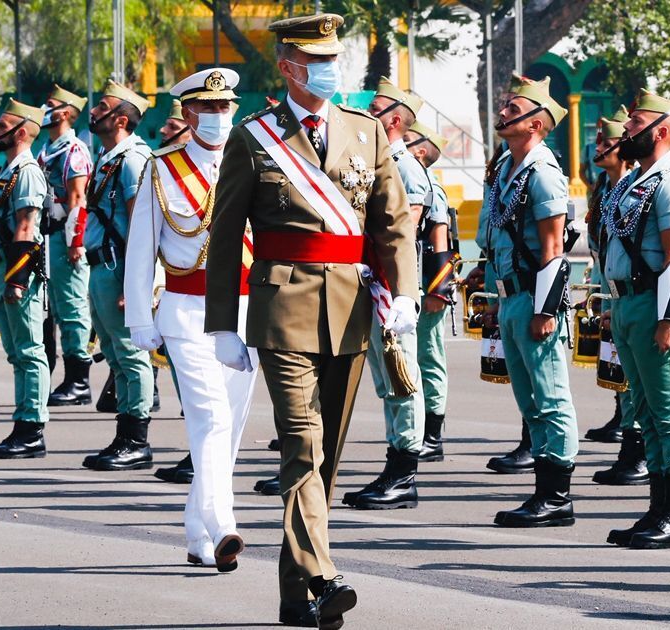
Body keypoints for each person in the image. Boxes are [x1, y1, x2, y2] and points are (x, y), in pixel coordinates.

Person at [204, 14, 418, 628]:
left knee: (326, 462)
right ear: (290, 68)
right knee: (302, 447)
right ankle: (324, 579)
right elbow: (224, 237)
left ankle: (293, 598)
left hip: (350, 311)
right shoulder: (254, 138)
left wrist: (404, 291)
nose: (331, 69)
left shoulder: (367, 132)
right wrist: (224, 320)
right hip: (283, 308)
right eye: (317, 60)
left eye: (334, 58)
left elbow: (393, 221)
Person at [125, 67, 256, 572]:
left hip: (245, 309)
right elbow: (142, 248)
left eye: (226, 108)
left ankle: (198, 535)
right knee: (211, 418)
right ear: (188, 112)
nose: (219, 116)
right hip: (186, 309)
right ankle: (224, 525)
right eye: (208, 107)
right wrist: (141, 316)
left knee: (230, 426)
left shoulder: (253, 163)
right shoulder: (162, 167)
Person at [599, 90, 670, 548]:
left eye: (635, 121)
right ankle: (657, 508)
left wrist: (669, 318)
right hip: (627, 304)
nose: (626, 129)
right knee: (644, 410)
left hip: (654, 306)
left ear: (660, 130)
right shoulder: (634, 181)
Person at [482, 77, 580, 528]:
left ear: (537, 123)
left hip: (534, 297)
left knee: (551, 396)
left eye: (513, 107)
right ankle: (544, 490)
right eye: (504, 105)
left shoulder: (542, 171)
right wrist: (491, 295)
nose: (504, 113)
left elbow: (553, 247)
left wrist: (545, 309)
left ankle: (557, 495)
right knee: (529, 399)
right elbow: (495, 239)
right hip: (511, 296)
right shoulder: (506, 167)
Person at [342, 78, 430, 512]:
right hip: (370, 279)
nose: (366, 113)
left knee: (402, 377)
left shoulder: (405, 166)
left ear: (395, 120)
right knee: (386, 379)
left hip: (391, 285)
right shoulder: (375, 159)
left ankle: (404, 471)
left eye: (375, 109)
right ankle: (395, 463)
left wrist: (402, 291)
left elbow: (403, 232)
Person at [80, 80, 156, 472]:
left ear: (122, 119)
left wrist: (135, 282)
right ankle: (123, 434)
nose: (94, 112)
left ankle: (136, 439)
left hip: (118, 267)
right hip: (101, 266)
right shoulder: (110, 157)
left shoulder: (131, 161)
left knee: (130, 354)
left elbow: (140, 225)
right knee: (114, 353)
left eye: (103, 107)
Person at [587, 108, 650, 487]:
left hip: (631, 290)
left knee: (634, 378)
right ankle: (629, 442)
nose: (599, 149)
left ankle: (637, 451)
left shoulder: (634, 187)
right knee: (618, 370)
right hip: (609, 286)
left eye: (607, 144)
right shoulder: (605, 188)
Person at [0, 100, 51, 459]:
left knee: (29, 351)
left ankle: (31, 429)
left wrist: (17, 281)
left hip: (17, 272)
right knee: (16, 353)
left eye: (2, 125)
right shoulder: (6, 168)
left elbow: (26, 227)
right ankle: (22, 425)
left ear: (21, 132)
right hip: (1, 268)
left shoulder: (26, 171)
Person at [37, 85, 94, 409]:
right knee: (56, 307)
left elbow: (76, 199)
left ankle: (79, 380)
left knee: (72, 308)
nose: (44, 109)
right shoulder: (49, 148)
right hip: (49, 236)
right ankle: (66, 376)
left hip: (65, 236)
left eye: (50, 104)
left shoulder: (74, 150)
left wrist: (75, 242)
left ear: (65, 112)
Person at [405, 120, 458, 463]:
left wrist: (438, 291)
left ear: (421, 151)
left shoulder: (430, 187)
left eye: (408, 141)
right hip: (415, 284)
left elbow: (440, 238)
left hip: (428, 287)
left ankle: (433, 435)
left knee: (429, 357)